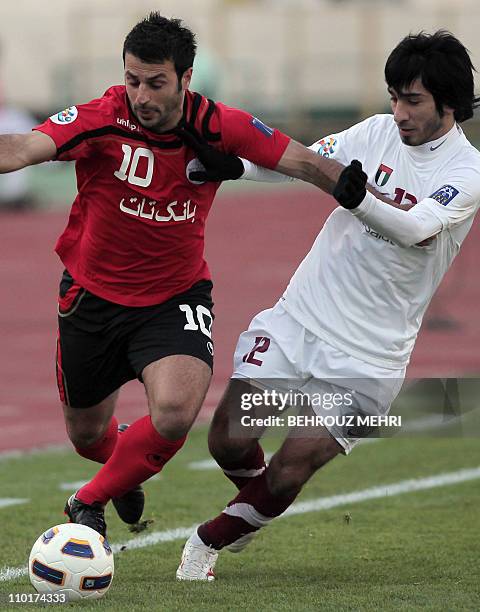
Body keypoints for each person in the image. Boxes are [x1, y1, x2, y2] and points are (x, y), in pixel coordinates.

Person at [0, 13, 383, 538]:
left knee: (178, 410)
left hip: (173, 298)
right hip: (91, 297)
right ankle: (122, 473)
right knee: (87, 436)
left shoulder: (221, 125)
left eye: (155, 83)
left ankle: (86, 503)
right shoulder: (100, 117)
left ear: (185, 78)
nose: (141, 95)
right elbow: (21, 148)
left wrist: (355, 191)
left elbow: (302, 160)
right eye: (132, 80)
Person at [175, 30, 480, 581]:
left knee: (291, 471)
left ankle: (206, 543)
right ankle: (253, 507)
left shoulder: (466, 172)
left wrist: (358, 197)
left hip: (369, 360)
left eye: (412, 100)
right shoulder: (376, 131)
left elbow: (414, 230)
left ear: (449, 104)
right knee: (228, 439)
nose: (398, 111)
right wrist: (235, 168)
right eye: (394, 96)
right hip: (300, 321)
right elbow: (307, 163)